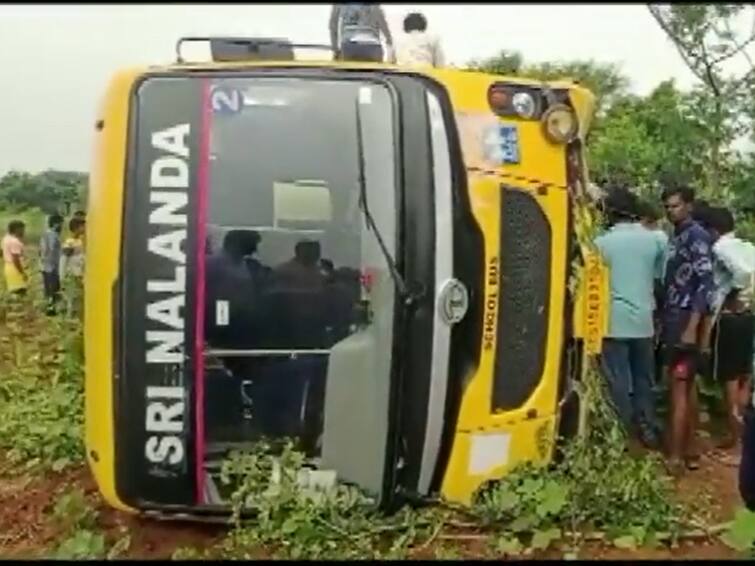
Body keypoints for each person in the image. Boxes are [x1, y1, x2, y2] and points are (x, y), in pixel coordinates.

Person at [595, 188, 664, 448]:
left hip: (613, 322)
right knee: (645, 378)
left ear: (609, 212)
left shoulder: (601, 243)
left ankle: (621, 435)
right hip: (644, 321)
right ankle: (647, 427)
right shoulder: (655, 240)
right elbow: (660, 279)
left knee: (618, 380)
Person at [660, 184, 715, 475]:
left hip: (685, 320)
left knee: (678, 388)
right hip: (672, 318)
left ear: (689, 206)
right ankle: (691, 450)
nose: (671, 211)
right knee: (687, 385)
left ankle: (676, 457)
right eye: (667, 207)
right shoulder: (677, 236)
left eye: (676, 206)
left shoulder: (696, 236)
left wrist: (692, 327)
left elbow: (706, 286)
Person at [705, 206, 755, 461]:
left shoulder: (720, 247)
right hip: (747, 317)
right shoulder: (746, 246)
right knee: (744, 376)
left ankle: (737, 444)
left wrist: (732, 295)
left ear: (713, 230)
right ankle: (740, 439)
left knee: (729, 379)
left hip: (730, 320)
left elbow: (743, 274)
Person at [329, 3, 394, 63]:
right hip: (373, 47)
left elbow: (333, 25)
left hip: (349, 46)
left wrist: (335, 51)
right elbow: (382, 23)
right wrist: (390, 46)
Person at [60, 216, 86, 317]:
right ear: (76, 227)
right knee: (72, 297)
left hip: (79, 273)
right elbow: (63, 260)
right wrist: (62, 275)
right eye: (83, 226)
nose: (84, 229)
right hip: (72, 273)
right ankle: (70, 316)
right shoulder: (69, 243)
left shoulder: (79, 241)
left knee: (78, 297)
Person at [39, 214, 64, 315]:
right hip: (52, 266)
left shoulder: (46, 234)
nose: (62, 226)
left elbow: (41, 251)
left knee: (49, 289)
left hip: (46, 266)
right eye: (61, 224)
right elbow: (50, 250)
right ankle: (51, 309)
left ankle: (50, 308)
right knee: (52, 289)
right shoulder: (52, 235)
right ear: (55, 224)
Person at [1, 220, 28, 296]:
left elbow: (2, 252)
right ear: (17, 229)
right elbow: (15, 259)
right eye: (22, 229)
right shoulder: (15, 242)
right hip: (15, 269)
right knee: (20, 291)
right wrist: (22, 273)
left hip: (8, 267)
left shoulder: (6, 238)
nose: (24, 232)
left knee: (14, 292)